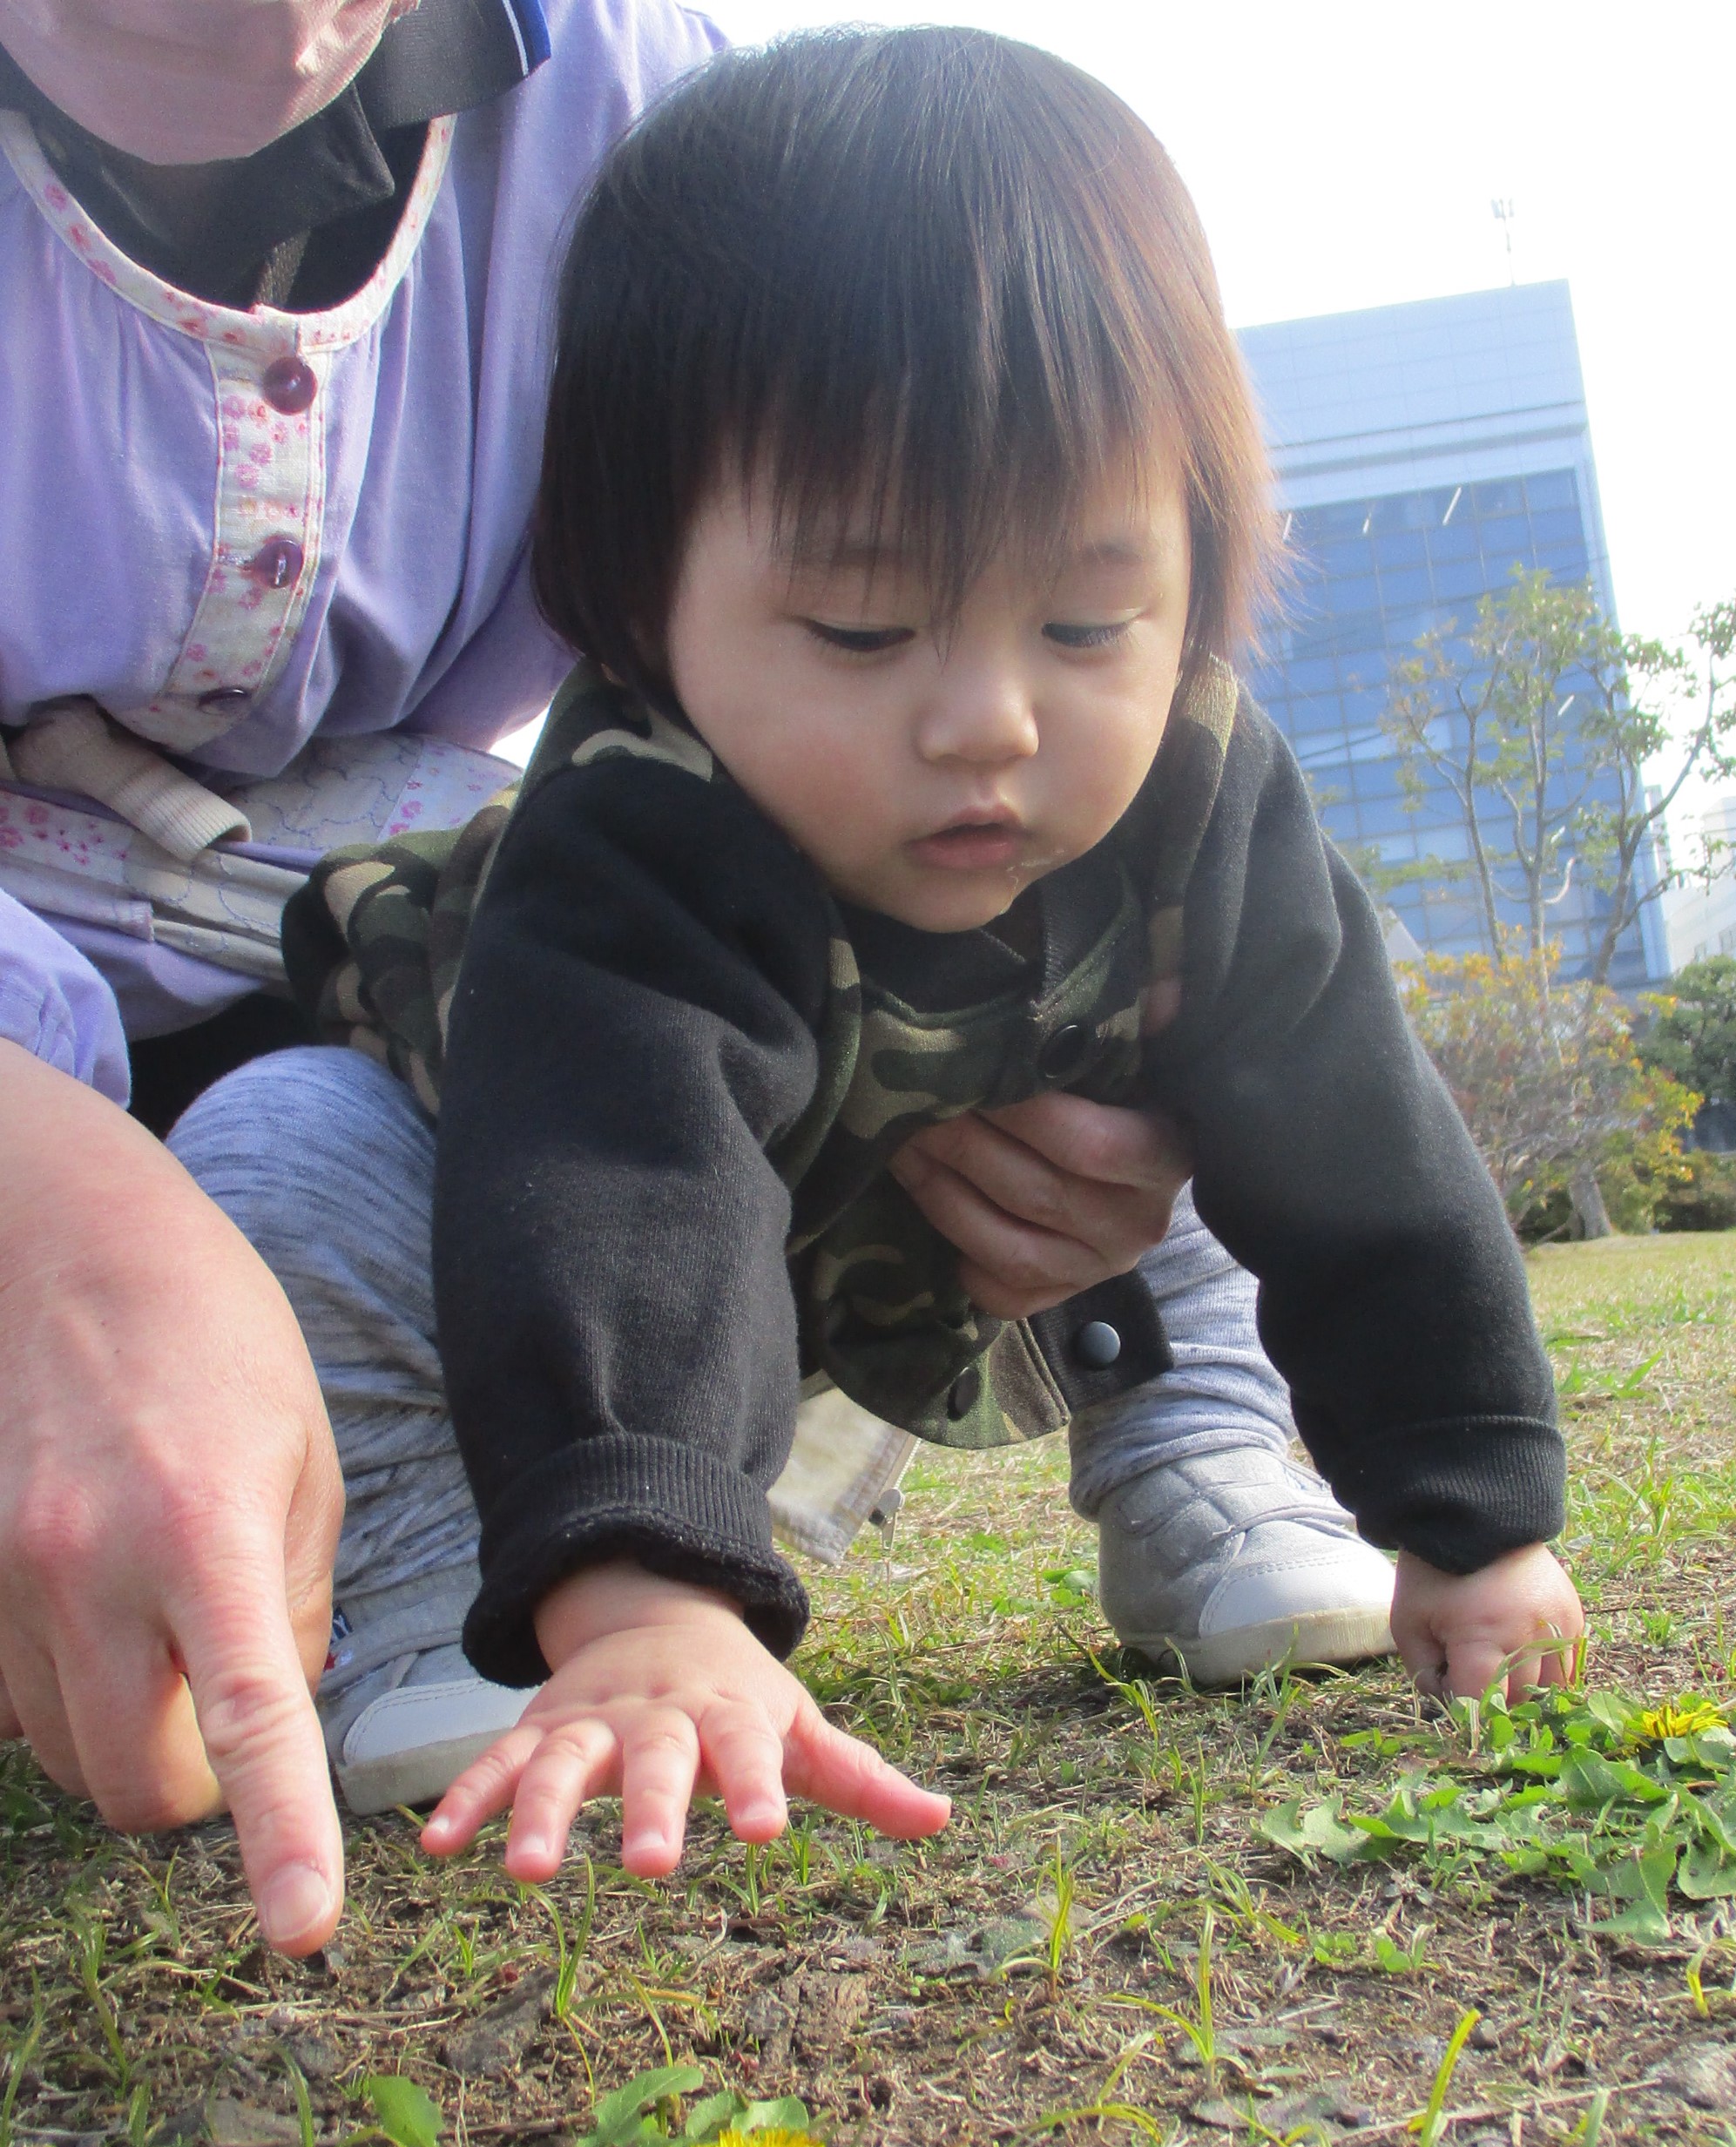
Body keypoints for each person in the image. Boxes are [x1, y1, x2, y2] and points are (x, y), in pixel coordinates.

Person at [0, 0, 1416, 1952]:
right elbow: (621, 1183)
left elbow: (1359, 1142)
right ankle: (427, 1577)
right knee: (290, 1151)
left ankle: (1206, 1456)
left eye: (1090, 620)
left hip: (825, 1285)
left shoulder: (663, 107)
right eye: (854, 627)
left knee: (1200, 1051)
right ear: (638, 612)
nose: (986, 724)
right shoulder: (639, 838)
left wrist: (1473, 1500)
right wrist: (657, 1592)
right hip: (525, 1246)